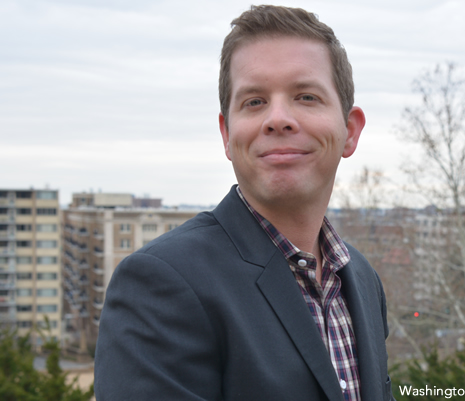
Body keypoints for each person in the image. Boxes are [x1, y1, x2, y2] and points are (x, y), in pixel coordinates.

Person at [95, 5, 393, 401]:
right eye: (254, 102)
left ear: (350, 131)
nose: (278, 119)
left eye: (306, 96)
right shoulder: (160, 284)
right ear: (226, 135)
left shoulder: (361, 279)